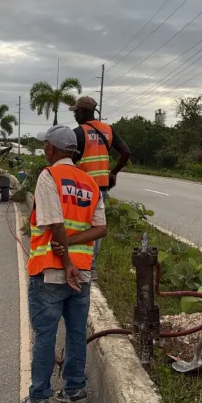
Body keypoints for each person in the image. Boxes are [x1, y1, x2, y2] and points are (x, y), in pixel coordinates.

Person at [19, 125, 108, 403]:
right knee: (76, 332)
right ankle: (75, 391)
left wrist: (66, 259)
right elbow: (100, 228)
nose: (44, 149)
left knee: (45, 335)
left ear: (51, 148)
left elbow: (56, 224)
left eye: (45, 145)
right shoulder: (90, 183)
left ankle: (38, 400)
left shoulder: (49, 176)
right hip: (82, 273)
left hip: (52, 271)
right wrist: (73, 253)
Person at [69, 96, 131, 280]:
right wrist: (114, 172)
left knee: (81, 226)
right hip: (101, 188)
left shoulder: (78, 133)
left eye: (76, 112)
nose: (74, 115)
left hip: (82, 189)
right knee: (97, 226)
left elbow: (69, 162)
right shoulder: (108, 130)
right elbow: (126, 152)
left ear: (83, 112)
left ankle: (82, 264)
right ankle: (92, 268)